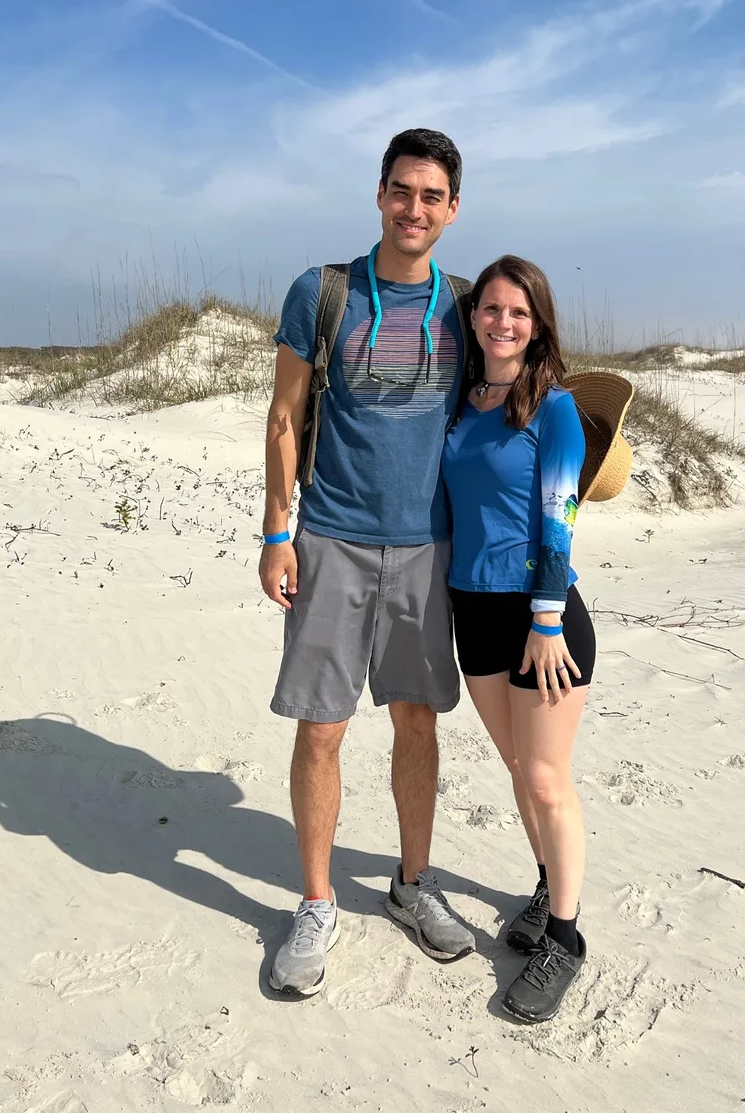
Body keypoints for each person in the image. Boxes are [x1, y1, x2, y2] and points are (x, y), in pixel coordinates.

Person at [260, 128, 476, 998]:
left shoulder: (465, 305)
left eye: (431, 195)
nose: (413, 207)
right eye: (401, 190)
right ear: (379, 194)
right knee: (322, 727)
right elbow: (283, 415)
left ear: (452, 209)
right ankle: (316, 902)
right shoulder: (324, 293)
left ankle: (412, 883)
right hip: (332, 540)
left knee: (418, 723)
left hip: (430, 548)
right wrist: (278, 529)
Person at [441, 255, 595, 1023]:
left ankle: (565, 936)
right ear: (474, 319)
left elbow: (560, 514)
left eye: (519, 313)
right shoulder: (462, 404)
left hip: (543, 620)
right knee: (514, 764)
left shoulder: (553, 406)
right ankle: (545, 882)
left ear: (538, 326)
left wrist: (544, 617)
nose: (503, 322)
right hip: (474, 610)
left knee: (544, 777)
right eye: (491, 309)